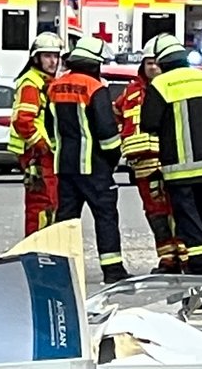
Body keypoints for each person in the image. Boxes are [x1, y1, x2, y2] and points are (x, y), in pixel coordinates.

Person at [136, 43, 202, 275]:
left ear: (163, 63)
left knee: (189, 220)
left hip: (178, 170)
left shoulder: (161, 84)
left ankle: (200, 271)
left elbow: (149, 124)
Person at [47, 34, 129, 283]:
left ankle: (61, 270)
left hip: (64, 165)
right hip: (94, 166)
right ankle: (113, 270)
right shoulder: (95, 88)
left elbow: (50, 127)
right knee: (105, 215)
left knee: (66, 220)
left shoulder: (55, 86)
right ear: (94, 64)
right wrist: (113, 158)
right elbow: (106, 130)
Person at [118, 33, 184, 273]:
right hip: (141, 164)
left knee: (176, 210)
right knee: (155, 214)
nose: (153, 67)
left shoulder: (170, 87)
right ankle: (167, 259)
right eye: (149, 63)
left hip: (166, 160)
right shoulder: (130, 92)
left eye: (157, 62)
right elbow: (117, 116)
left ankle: (184, 257)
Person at [9, 32, 64, 237]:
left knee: (50, 203)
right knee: (41, 205)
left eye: (55, 56)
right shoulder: (32, 82)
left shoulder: (45, 81)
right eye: (47, 56)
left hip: (44, 154)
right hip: (37, 155)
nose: (53, 61)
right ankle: (37, 251)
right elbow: (23, 120)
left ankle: (46, 249)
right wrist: (41, 146)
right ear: (36, 58)